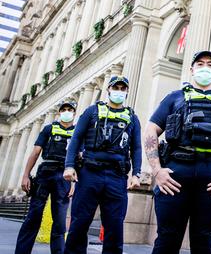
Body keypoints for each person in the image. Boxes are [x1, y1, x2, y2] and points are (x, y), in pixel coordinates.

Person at [143, 50, 211, 253]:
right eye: (200, 64)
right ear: (191, 70)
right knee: (167, 239)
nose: (204, 68)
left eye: (209, 64)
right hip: (175, 175)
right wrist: (157, 171)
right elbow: (150, 131)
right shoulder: (174, 98)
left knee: (205, 241)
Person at [63, 76, 142, 254]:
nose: (119, 92)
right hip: (89, 174)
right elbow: (76, 139)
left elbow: (136, 148)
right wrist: (69, 166)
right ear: (109, 89)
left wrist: (136, 174)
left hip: (116, 177)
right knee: (79, 224)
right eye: (116, 88)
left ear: (127, 91)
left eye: (123, 89)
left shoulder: (132, 117)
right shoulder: (92, 112)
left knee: (114, 228)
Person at [15, 101, 77, 254]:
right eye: (64, 109)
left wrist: (75, 183)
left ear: (74, 113)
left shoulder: (77, 133)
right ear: (59, 112)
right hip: (45, 174)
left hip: (65, 176)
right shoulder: (49, 129)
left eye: (70, 109)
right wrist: (25, 176)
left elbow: (78, 159)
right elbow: (35, 152)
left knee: (59, 222)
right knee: (33, 217)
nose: (67, 112)